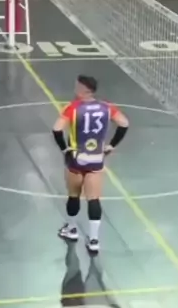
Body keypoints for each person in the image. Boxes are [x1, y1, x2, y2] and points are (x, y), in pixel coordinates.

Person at [52, 75, 129, 251]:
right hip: (96, 159)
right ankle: (94, 240)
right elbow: (124, 123)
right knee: (94, 199)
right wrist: (111, 145)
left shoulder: (72, 108)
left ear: (83, 89)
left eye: (77, 86)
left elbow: (56, 130)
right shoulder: (107, 107)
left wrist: (65, 149)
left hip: (76, 158)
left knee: (74, 195)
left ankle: (72, 229)